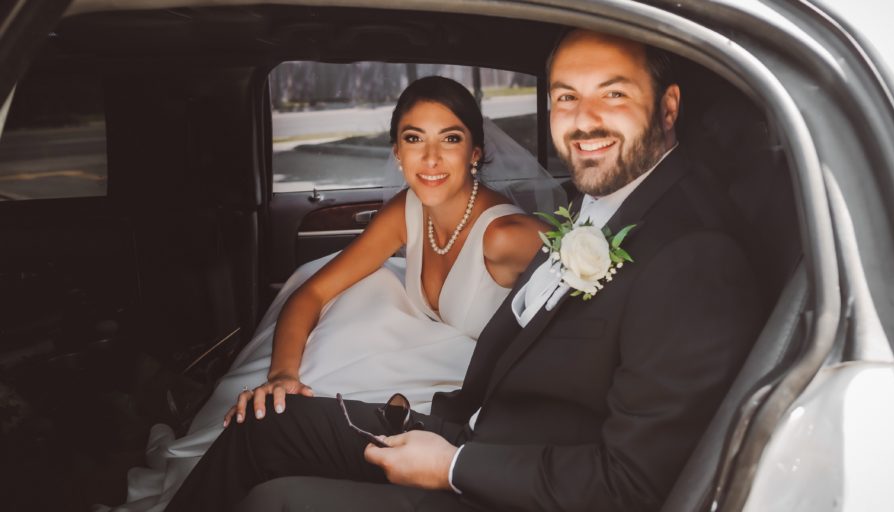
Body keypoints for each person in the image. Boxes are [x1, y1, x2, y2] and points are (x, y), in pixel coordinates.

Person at [166, 29, 766, 512]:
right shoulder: (605, 204)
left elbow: (632, 484)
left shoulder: (693, 252)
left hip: (506, 477)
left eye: (612, 94)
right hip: (473, 427)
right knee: (265, 428)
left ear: (668, 107)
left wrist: (451, 466)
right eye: (565, 96)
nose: (584, 121)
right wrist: (433, 416)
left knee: (275, 500)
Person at [109, 76, 548, 512]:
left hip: (465, 386)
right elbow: (312, 293)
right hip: (415, 355)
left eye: (449, 138)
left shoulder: (506, 237)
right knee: (282, 397)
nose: (430, 158)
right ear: (397, 153)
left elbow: (603, 283)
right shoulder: (409, 208)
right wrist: (283, 375)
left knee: (294, 419)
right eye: (414, 138)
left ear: (475, 153)